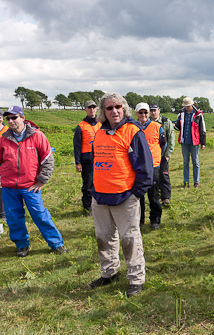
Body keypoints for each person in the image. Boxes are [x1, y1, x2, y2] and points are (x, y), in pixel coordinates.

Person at [88, 93, 153, 297]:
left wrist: (135, 194)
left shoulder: (133, 131)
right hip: (100, 196)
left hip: (125, 197)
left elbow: (145, 167)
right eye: (109, 108)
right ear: (103, 112)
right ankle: (109, 272)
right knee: (104, 237)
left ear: (124, 109)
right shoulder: (99, 132)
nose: (114, 111)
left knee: (130, 238)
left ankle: (135, 278)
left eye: (118, 107)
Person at [0, 106, 68, 257]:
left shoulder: (37, 135)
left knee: (40, 215)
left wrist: (42, 181)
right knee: (13, 217)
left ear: (22, 117)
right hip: (9, 187)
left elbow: (47, 159)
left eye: (14, 117)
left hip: (30, 186)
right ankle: (21, 245)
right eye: (8, 118)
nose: (11, 121)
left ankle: (56, 244)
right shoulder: (3, 139)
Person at [135, 102, 166, 229]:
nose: (143, 115)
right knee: (138, 196)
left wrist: (156, 157)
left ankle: (155, 220)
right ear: (136, 114)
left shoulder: (157, 127)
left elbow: (163, 144)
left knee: (153, 195)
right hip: (137, 167)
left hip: (153, 166)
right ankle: (139, 220)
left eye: (146, 112)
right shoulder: (132, 128)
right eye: (141, 112)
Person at [73, 100, 101, 216]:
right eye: (89, 107)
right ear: (85, 109)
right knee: (88, 184)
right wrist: (78, 162)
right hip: (86, 159)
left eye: (94, 107)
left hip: (100, 158)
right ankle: (87, 207)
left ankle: (99, 205)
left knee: (99, 182)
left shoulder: (101, 124)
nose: (92, 109)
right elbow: (77, 145)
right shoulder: (81, 126)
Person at [174, 97, 206, 188]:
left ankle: (196, 182)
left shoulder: (198, 114)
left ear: (192, 105)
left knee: (195, 162)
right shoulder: (181, 113)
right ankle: (186, 182)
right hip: (184, 141)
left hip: (194, 141)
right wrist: (173, 125)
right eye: (185, 106)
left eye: (188, 106)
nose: (187, 107)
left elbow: (202, 128)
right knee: (185, 162)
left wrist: (203, 142)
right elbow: (178, 126)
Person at [149, 103, 174, 205]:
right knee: (154, 177)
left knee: (164, 175)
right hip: (152, 155)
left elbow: (171, 138)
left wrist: (167, 154)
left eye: (155, 110)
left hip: (163, 154)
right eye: (151, 110)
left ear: (159, 111)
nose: (153, 112)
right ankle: (156, 196)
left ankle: (166, 197)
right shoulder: (147, 123)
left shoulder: (166, 122)